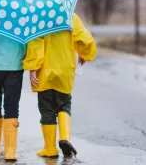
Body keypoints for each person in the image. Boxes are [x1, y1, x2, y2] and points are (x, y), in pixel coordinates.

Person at [25, 13, 97, 159]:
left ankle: (50, 148)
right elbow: (83, 37)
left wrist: (33, 67)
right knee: (64, 105)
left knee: (47, 109)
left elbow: (35, 45)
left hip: (45, 72)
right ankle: (64, 138)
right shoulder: (71, 17)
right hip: (65, 70)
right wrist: (84, 53)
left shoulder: (40, 18)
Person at [0, 28, 42, 162]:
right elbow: (30, 38)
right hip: (14, 64)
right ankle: (10, 150)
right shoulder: (21, 13)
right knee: (12, 104)